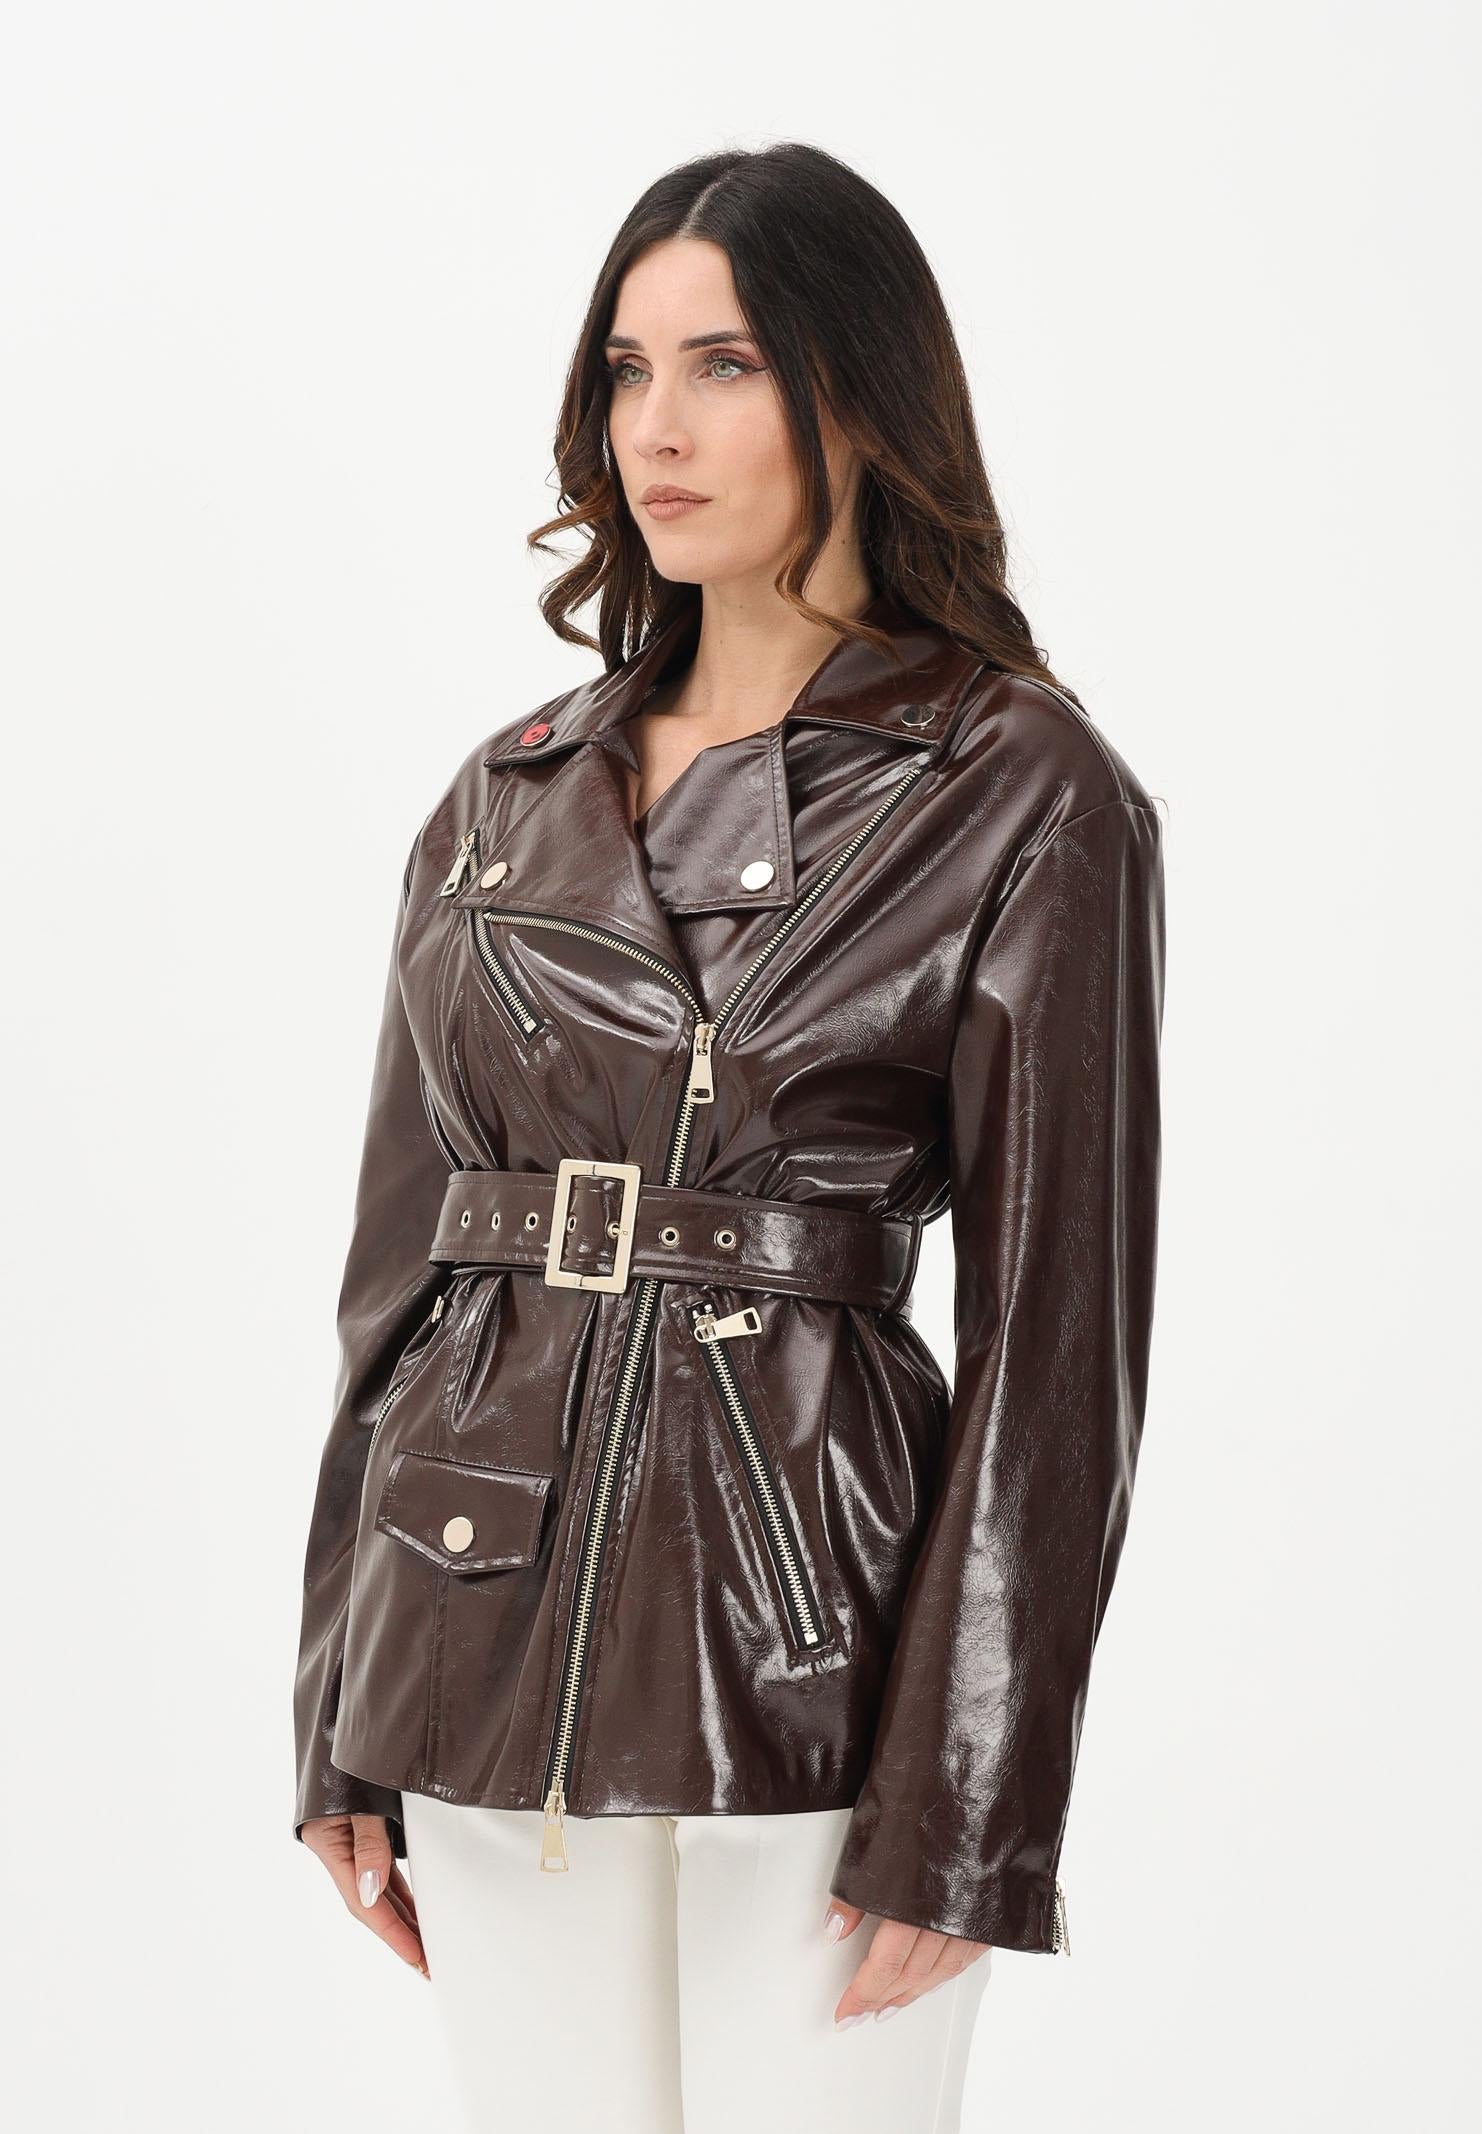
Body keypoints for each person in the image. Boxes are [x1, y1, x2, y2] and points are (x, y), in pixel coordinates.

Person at [290, 140, 1165, 2134]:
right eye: (625, 370)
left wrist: (970, 1796)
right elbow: (397, 1285)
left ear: (859, 391)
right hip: (473, 1615)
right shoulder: (507, 798)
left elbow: (1060, 1351)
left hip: (809, 1644)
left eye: (725, 365)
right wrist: (336, 1693)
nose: (654, 430)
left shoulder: (1022, 787)